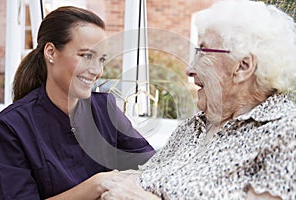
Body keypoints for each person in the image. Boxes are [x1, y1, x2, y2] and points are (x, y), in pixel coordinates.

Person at [95, 0, 296, 199]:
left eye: (202, 53)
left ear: (243, 67)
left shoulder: (286, 132)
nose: (189, 70)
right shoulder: (194, 126)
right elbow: (144, 177)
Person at [0, 6, 155, 200]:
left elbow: (152, 165)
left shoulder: (106, 109)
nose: (97, 71)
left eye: (101, 59)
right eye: (86, 56)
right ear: (51, 52)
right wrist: (96, 185)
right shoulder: (11, 126)